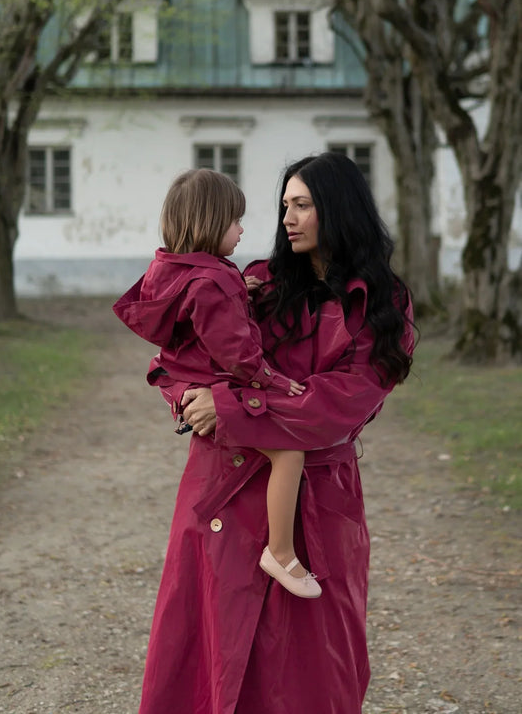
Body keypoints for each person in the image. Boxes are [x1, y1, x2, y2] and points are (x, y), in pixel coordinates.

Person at [135, 152, 415, 714]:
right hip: (222, 489)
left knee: (314, 668)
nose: (288, 218)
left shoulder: (382, 305)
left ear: (337, 210)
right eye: (285, 205)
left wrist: (232, 409)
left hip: (318, 501)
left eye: (303, 205)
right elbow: (178, 359)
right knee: (205, 654)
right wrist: (192, 403)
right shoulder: (255, 283)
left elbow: (340, 405)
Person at [113, 168, 321, 599]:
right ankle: (281, 552)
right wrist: (276, 382)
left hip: (184, 381)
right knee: (289, 452)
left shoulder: (169, 270)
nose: (242, 230)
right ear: (210, 223)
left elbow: (193, 309)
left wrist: (236, 290)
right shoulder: (214, 280)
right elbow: (238, 355)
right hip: (218, 389)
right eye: (234, 222)